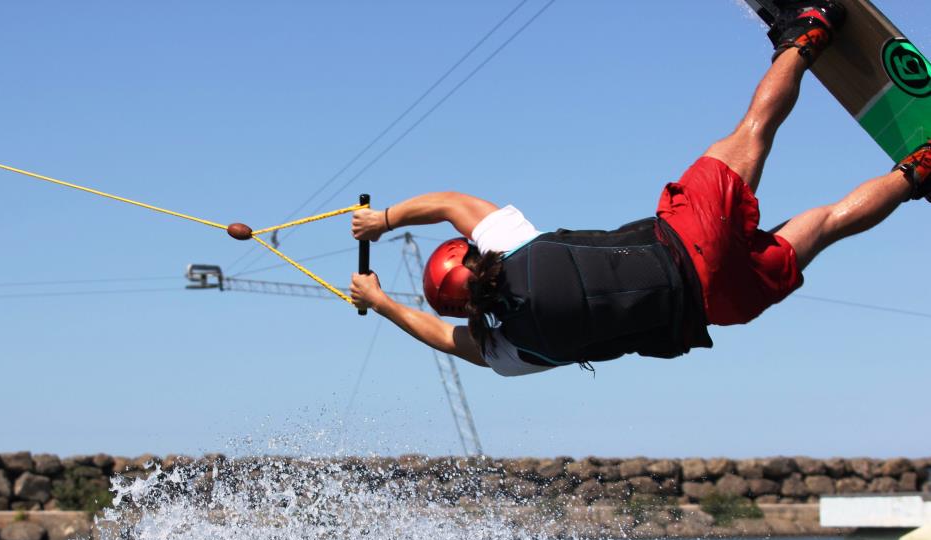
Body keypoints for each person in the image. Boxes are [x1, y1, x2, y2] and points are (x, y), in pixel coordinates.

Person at [349, 1, 930, 377]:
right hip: (688, 232)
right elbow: (452, 203)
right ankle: (811, 30)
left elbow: (446, 340)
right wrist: (387, 219)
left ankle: (917, 172)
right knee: (753, 131)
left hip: (710, 305)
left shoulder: (511, 352)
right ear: (471, 255)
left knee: (826, 225)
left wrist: (380, 304)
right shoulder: (514, 246)